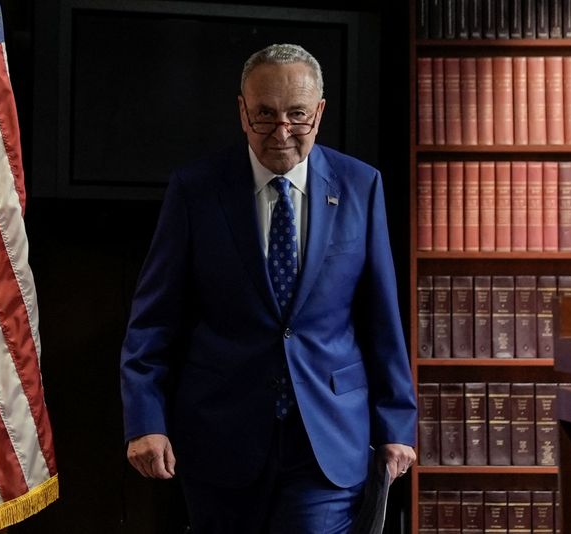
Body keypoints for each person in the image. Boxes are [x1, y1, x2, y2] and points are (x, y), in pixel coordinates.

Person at [120, 43, 417, 533]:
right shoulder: (196, 190)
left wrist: (396, 424)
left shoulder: (361, 186)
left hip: (326, 438)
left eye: (297, 116)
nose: (281, 133)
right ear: (242, 112)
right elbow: (153, 319)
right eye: (264, 115)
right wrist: (145, 420)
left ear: (319, 114)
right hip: (221, 437)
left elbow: (381, 318)